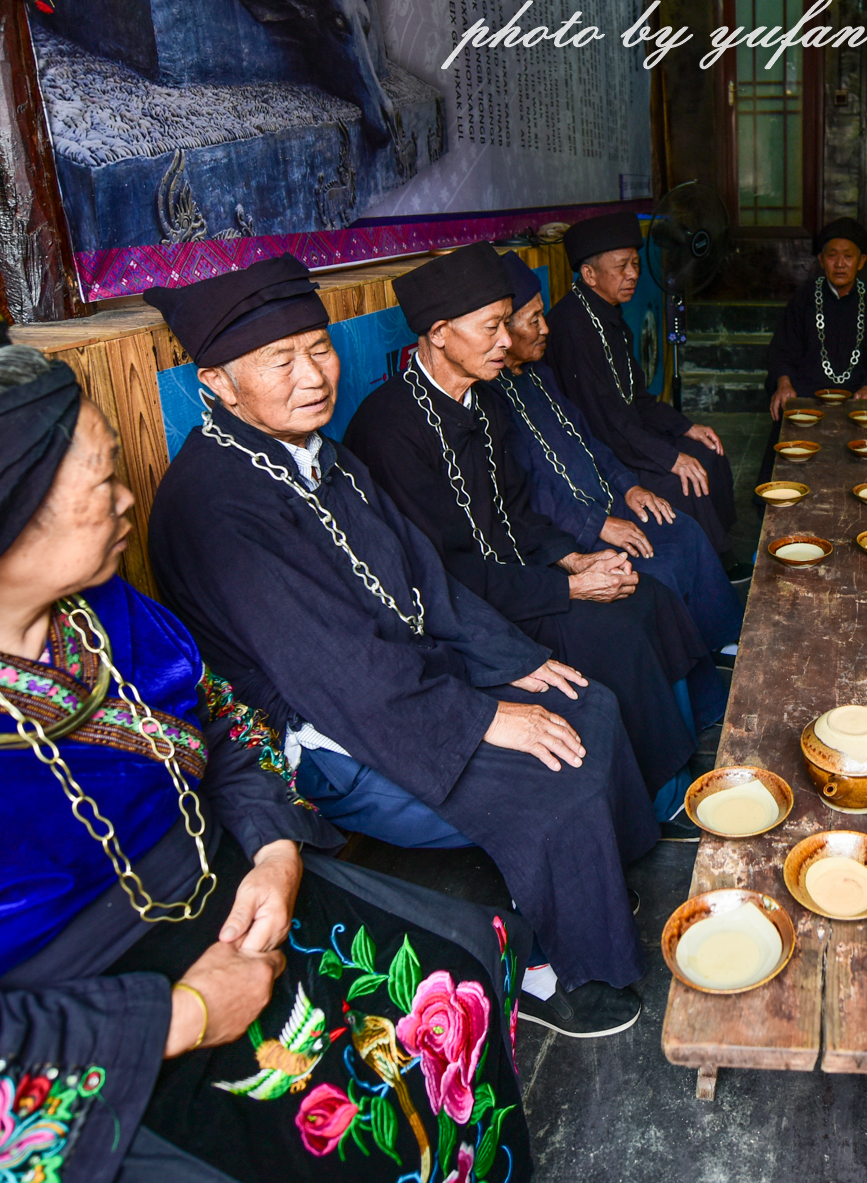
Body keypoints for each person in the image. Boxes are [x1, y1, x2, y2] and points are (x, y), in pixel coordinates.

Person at [0, 285, 535, 1183]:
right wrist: (185, 1014)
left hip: (226, 890)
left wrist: (277, 850)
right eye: (103, 479)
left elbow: (230, 725)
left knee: (468, 956)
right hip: (61, 1024)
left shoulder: (99, 612)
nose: (130, 499)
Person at [144, 255, 653, 1037]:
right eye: (281, 360)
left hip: (408, 677)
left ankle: (596, 891)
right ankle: (556, 970)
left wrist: (517, 662)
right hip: (330, 732)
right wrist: (483, 718)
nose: (313, 374)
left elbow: (430, 581)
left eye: (318, 347)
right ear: (218, 381)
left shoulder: (329, 456)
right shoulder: (213, 501)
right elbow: (334, 669)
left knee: (588, 698)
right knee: (547, 772)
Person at [342, 243, 720, 816]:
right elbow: (438, 573)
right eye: (492, 326)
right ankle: (655, 798)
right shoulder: (387, 428)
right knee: (615, 632)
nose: (505, 341)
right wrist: (565, 587)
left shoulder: (486, 403)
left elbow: (519, 512)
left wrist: (574, 559)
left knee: (647, 597)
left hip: (525, 577)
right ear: (440, 333)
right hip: (463, 612)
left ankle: (686, 762)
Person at [490, 250, 744, 656]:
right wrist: (597, 526)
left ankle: (724, 641)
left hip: (607, 501)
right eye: (533, 319)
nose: (546, 328)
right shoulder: (491, 397)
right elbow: (529, 491)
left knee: (685, 531)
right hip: (573, 530)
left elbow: (590, 440)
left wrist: (628, 488)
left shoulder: (540, 374)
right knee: (658, 569)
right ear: (501, 330)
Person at [543, 211, 741, 566]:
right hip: (601, 449)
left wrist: (685, 428)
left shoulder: (610, 315)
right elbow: (602, 423)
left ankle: (721, 550)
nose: (633, 274)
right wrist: (670, 457)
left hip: (627, 431)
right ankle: (711, 566)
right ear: (589, 274)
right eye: (621, 267)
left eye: (634, 263)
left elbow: (638, 399)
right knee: (682, 478)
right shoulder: (572, 327)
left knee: (709, 450)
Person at [764, 216, 867, 416]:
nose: (840, 264)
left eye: (848, 256)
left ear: (861, 262)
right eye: (832, 256)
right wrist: (783, 383)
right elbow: (781, 351)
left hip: (856, 393)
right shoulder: (804, 299)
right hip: (805, 392)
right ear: (821, 260)